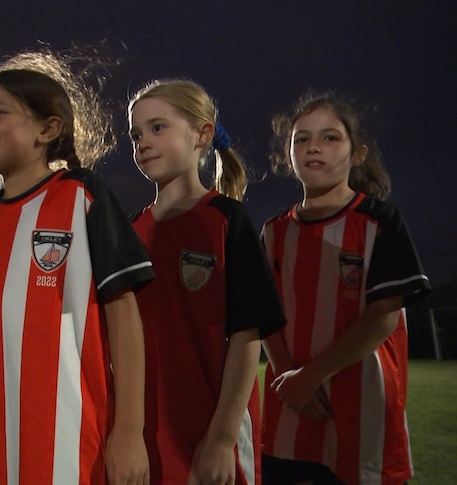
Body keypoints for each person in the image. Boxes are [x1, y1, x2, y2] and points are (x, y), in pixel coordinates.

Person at [0, 50, 155, 485]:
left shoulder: (82, 195)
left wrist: (130, 430)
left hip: (70, 433)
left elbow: (123, 313)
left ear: (48, 128)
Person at [260, 93, 431, 485]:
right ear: (288, 153)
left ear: (358, 154)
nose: (313, 146)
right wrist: (290, 376)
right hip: (290, 408)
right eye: (301, 138)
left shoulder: (380, 221)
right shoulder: (274, 232)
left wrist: (311, 376)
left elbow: (383, 316)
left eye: (330, 137)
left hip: (363, 409)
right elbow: (265, 313)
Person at [127, 79, 286, 484]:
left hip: (212, 431)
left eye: (157, 127)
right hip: (142, 433)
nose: (143, 141)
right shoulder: (128, 232)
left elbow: (247, 337)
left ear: (202, 134)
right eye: (136, 133)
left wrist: (221, 437)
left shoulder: (226, 220)